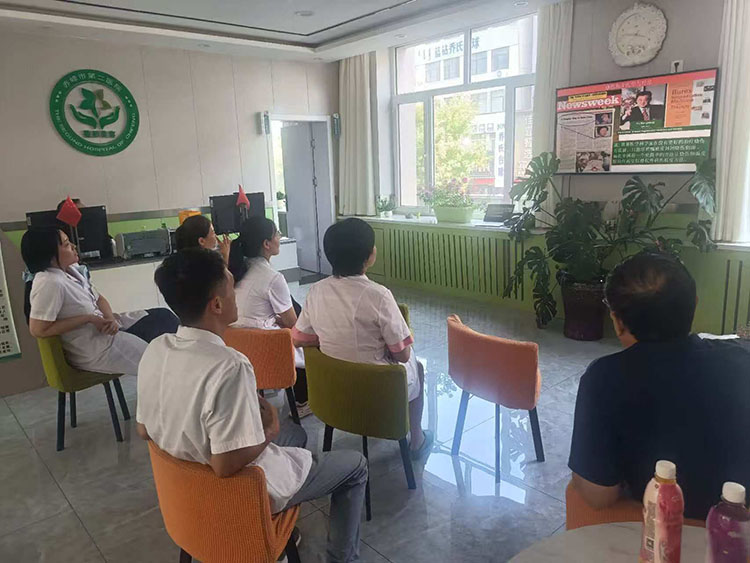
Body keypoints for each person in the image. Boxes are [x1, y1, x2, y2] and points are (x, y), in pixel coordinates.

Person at [137, 249, 368, 562]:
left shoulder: (156, 348)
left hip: (185, 492)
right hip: (236, 491)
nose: (237, 294)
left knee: (296, 435)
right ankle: (340, 557)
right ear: (217, 305)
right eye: (232, 287)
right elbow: (225, 464)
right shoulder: (229, 365)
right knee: (355, 466)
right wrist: (269, 431)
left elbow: (143, 430)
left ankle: (284, 534)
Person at [568, 252, 750, 520]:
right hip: (737, 533)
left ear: (617, 321)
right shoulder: (742, 358)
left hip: (657, 532)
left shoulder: (604, 378)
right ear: (694, 305)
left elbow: (598, 495)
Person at [292, 218, 433, 458]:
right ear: (370, 255)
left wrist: (329, 338)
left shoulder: (316, 290)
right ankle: (417, 440)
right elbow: (402, 354)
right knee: (416, 367)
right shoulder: (379, 295)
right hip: (377, 391)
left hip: (333, 391)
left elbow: (298, 338)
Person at [21, 228, 177, 376]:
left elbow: (99, 299)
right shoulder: (49, 282)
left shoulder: (71, 270)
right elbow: (38, 330)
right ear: (50, 256)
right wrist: (88, 318)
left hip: (106, 329)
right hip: (95, 348)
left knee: (164, 317)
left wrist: (109, 318)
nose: (74, 246)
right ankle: (173, 380)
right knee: (161, 360)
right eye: (67, 244)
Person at [228, 217, 310, 418]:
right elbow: (292, 323)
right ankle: (304, 399)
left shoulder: (236, 269)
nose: (279, 237)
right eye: (277, 234)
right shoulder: (272, 277)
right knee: (306, 338)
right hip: (265, 347)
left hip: (238, 344)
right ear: (266, 243)